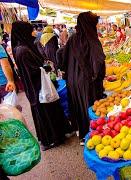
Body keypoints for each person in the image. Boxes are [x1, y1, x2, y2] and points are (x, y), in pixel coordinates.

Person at [11, 21, 72, 150]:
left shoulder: (24, 47)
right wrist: (45, 68)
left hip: (38, 87)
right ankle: (52, 139)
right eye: (30, 31)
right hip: (37, 88)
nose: (33, 33)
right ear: (24, 33)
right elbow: (32, 71)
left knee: (51, 109)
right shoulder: (22, 50)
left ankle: (58, 134)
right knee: (46, 111)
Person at [61, 12, 106, 145]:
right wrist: (98, 77)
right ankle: (93, 135)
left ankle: (82, 135)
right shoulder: (92, 38)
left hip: (73, 80)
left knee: (78, 105)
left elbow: (62, 58)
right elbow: (98, 62)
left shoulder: (72, 38)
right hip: (87, 81)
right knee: (91, 106)